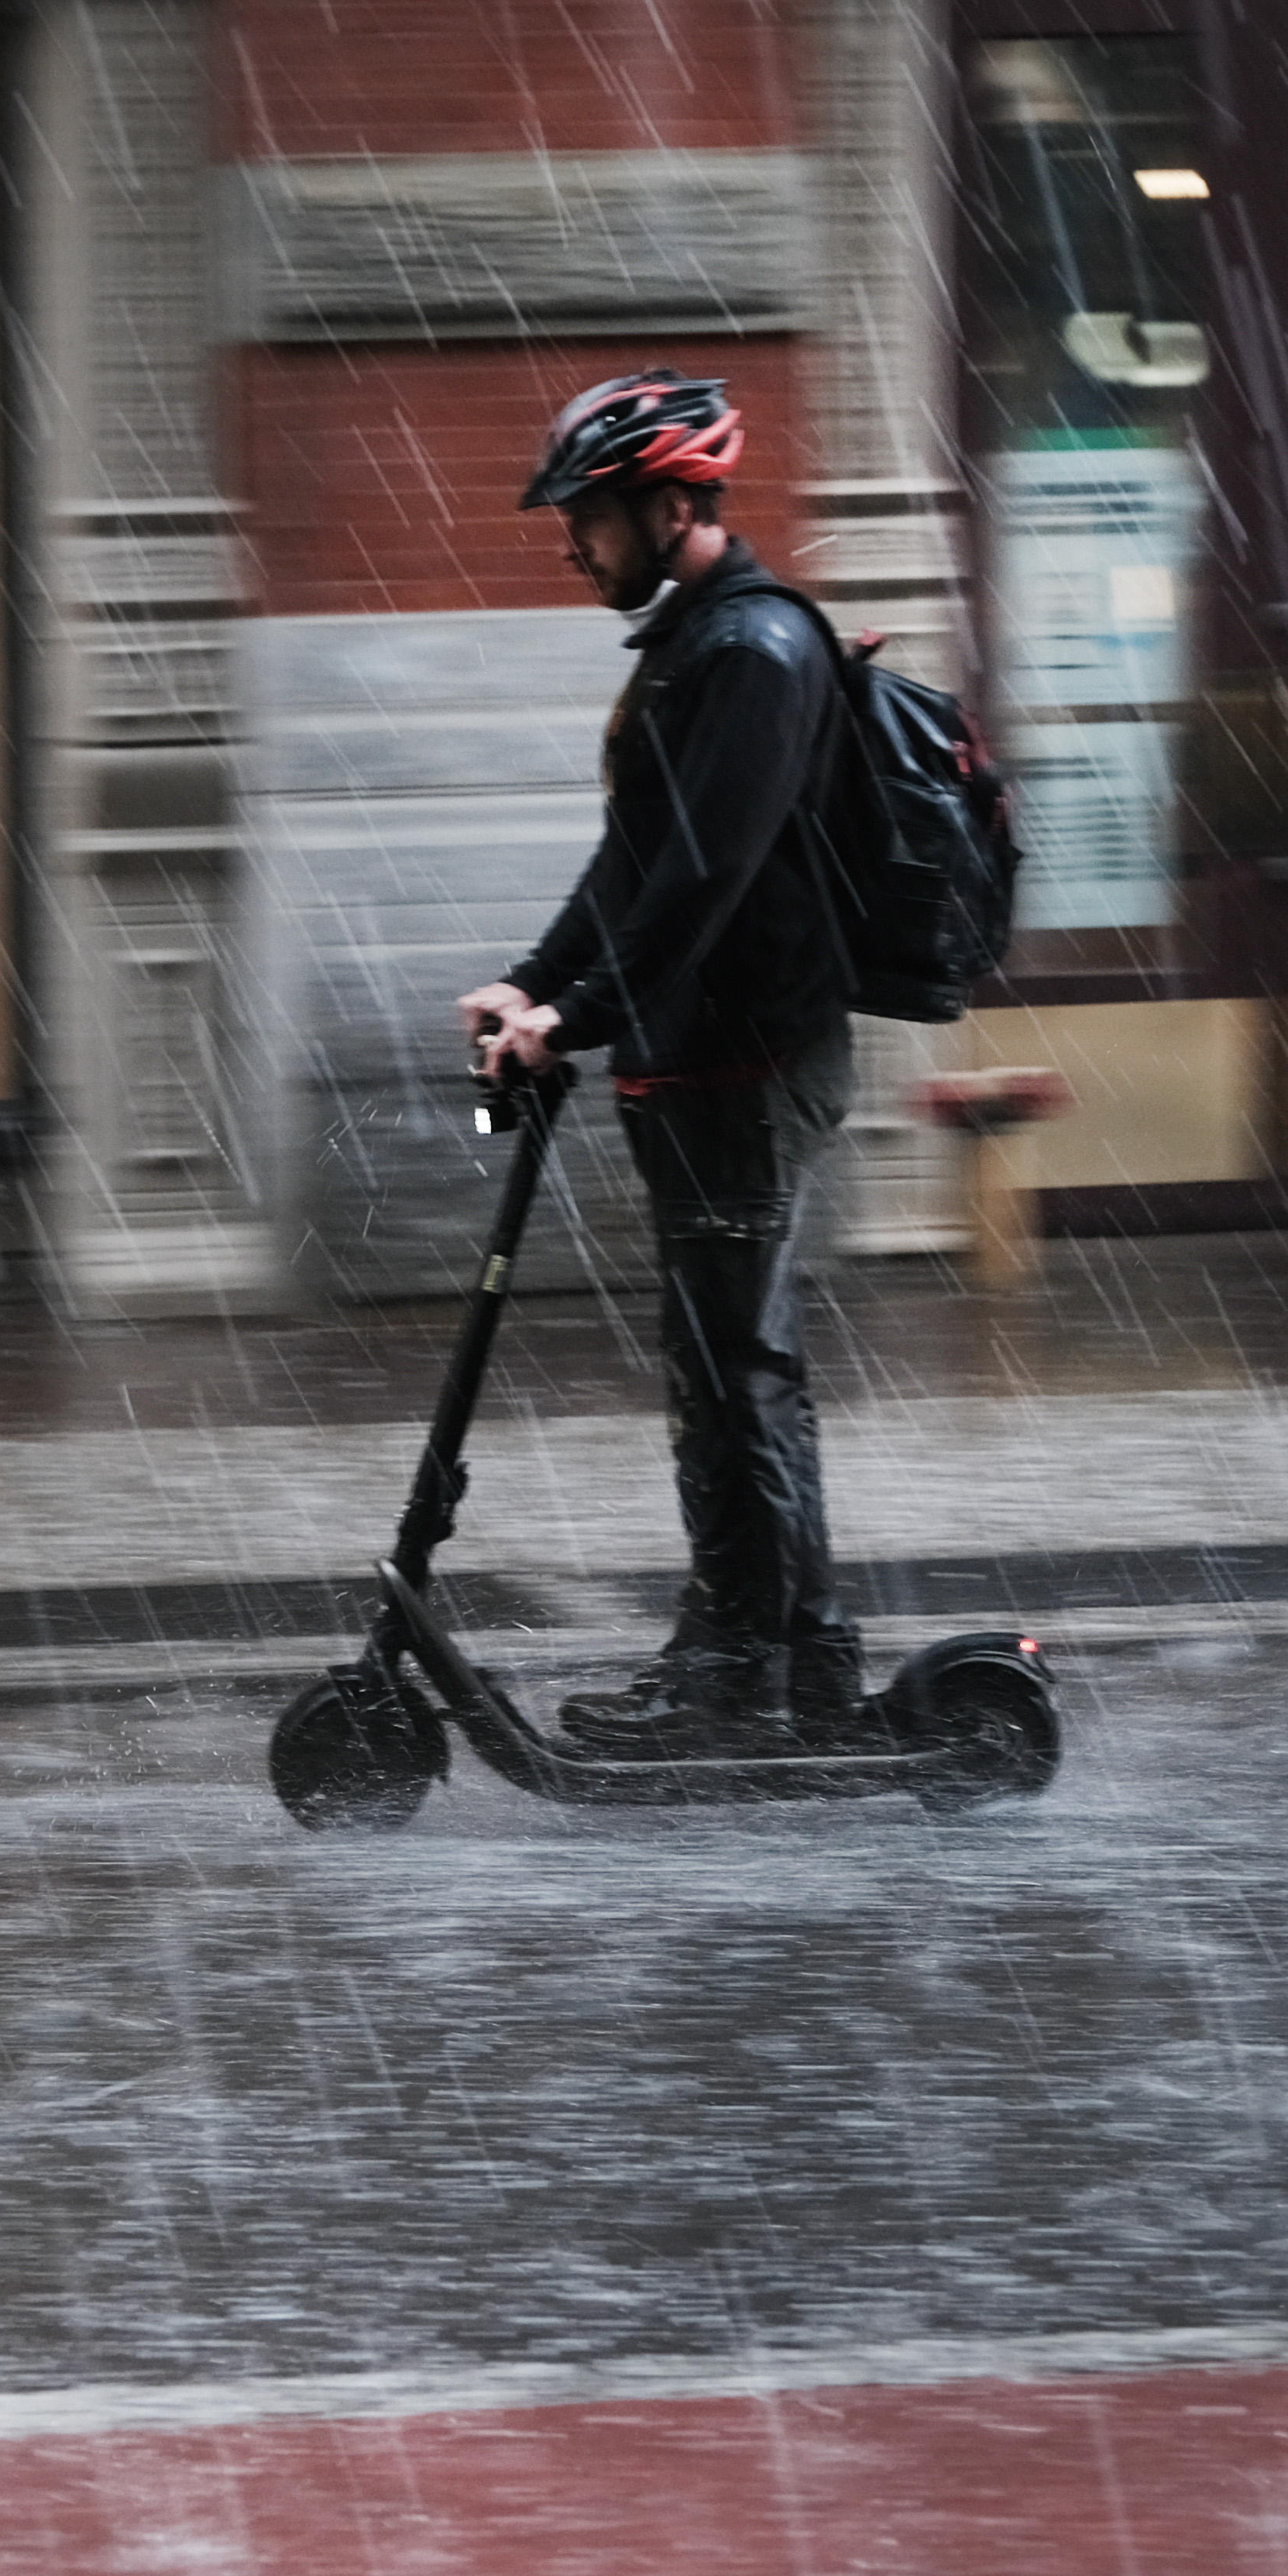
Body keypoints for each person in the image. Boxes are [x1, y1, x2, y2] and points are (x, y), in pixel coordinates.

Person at [456, 370, 865, 1757]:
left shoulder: (754, 650)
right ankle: (778, 1659)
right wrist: (535, 984)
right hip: (693, 1062)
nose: (571, 544)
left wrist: (571, 1019)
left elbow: (703, 877)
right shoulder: (695, 645)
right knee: (725, 1367)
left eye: (587, 517)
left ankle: (747, 1672)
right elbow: (630, 864)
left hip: (747, 1063)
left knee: (733, 1370)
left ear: (672, 505)